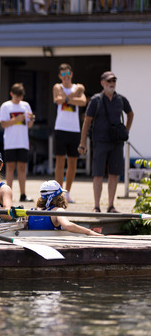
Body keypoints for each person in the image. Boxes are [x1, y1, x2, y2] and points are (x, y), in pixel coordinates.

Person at [79, 71, 134, 213]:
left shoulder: (121, 99)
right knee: (97, 174)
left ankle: (111, 205)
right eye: (109, 81)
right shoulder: (96, 100)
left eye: (114, 81)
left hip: (116, 142)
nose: (112, 83)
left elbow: (130, 114)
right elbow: (87, 121)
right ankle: (96, 206)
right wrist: (82, 142)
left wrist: (126, 131)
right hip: (100, 141)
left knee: (114, 174)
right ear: (102, 82)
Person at [53, 64, 86, 203]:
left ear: (71, 74)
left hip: (74, 129)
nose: (66, 78)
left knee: (73, 162)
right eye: (63, 75)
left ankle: (67, 193)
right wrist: (73, 97)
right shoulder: (57, 86)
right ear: (60, 76)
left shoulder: (77, 87)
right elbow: (57, 99)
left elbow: (83, 102)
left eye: (68, 75)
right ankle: (58, 193)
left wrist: (67, 98)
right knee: (60, 161)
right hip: (61, 128)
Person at [0, 83, 35, 202]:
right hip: (10, 142)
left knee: (22, 167)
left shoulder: (25, 105)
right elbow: (3, 124)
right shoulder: (6, 106)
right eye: (16, 96)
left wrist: (32, 118)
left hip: (23, 141)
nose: (19, 98)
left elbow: (29, 125)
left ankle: (23, 194)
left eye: (21, 96)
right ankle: (8, 194)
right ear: (11, 94)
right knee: (10, 167)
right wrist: (15, 120)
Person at [27, 180, 103, 236]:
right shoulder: (57, 211)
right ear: (58, 196)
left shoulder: (30, 212)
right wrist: (88, 232)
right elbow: (67, 226)